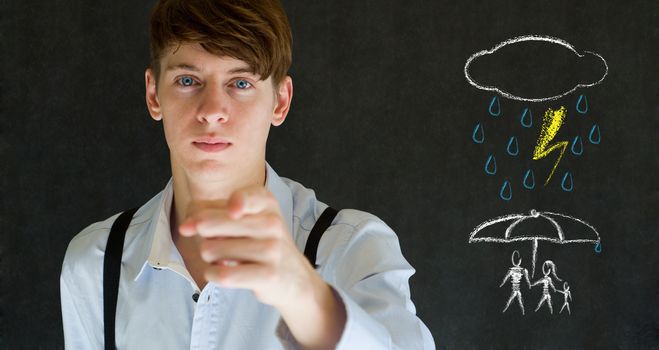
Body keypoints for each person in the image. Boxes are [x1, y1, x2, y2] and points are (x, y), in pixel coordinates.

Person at [59, 0, 435, 349]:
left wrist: (305, 295)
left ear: (280, 102)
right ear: (154, 94)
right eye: (188, 80)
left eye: (240, 83)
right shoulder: (95, 263)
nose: (212, 111)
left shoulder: (352, 249)